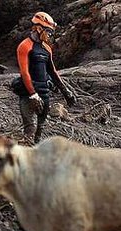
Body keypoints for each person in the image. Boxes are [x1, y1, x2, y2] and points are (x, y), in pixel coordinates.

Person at [16, 12, 77, 143]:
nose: (50, 35)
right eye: (48, 31)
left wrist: (66, 92)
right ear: (38, 28)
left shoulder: (46, 49)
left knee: (40, 128)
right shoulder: (25, 46)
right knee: (30, 129)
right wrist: (33, 95)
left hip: (44, 93)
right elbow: (24, 72)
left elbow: (53, 72)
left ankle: (36, 158)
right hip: (28, 94)